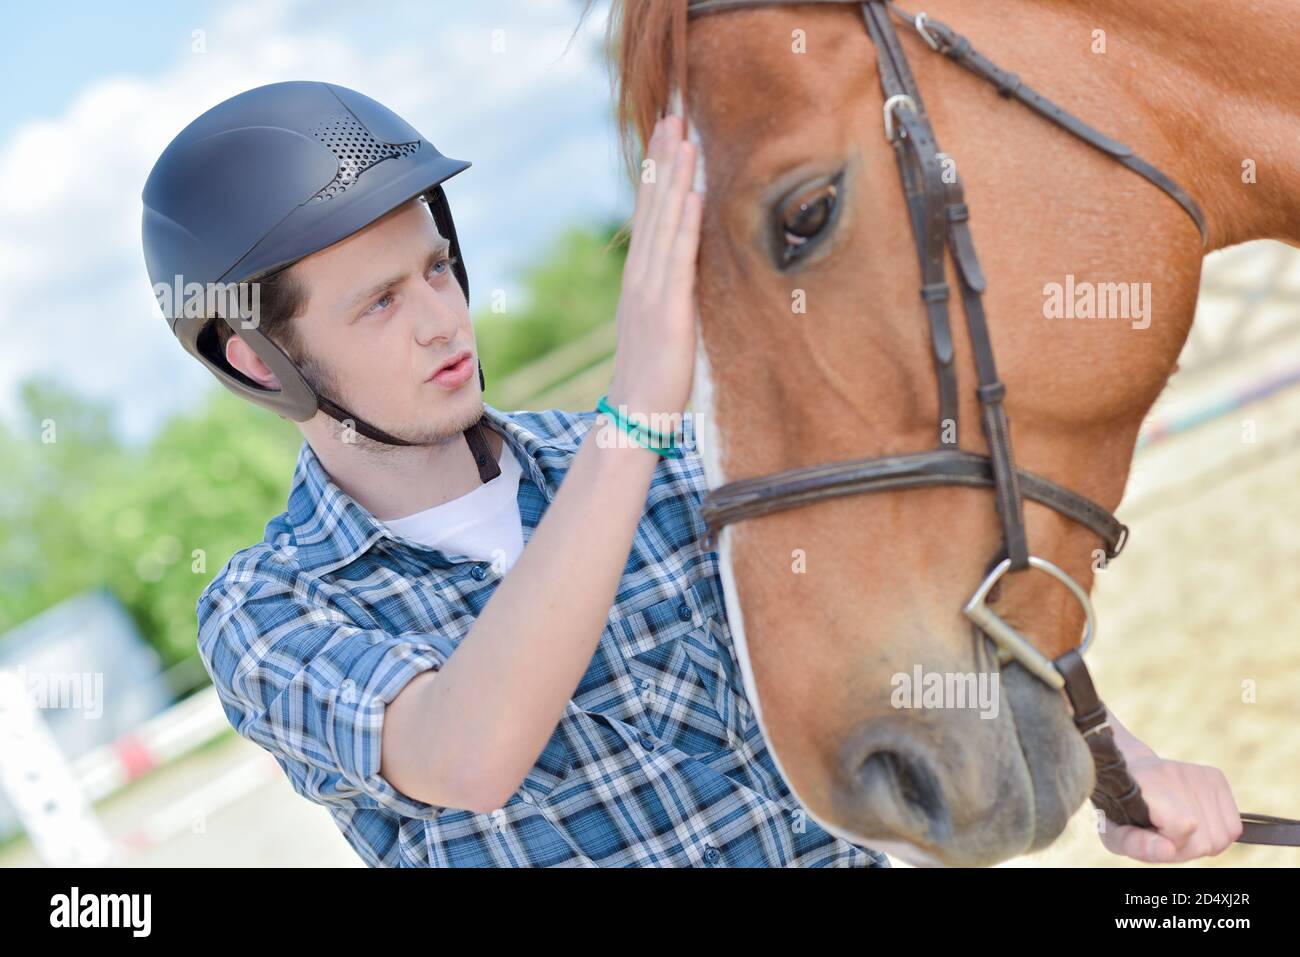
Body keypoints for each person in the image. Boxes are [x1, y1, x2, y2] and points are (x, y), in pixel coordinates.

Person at [141, 80, 886, 867]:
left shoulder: (665, 468)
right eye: (380, 304)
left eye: (434, 268)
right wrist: (632, 416)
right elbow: (468, 755)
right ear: (262, 363)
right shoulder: (266, 613)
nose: (441, 320)